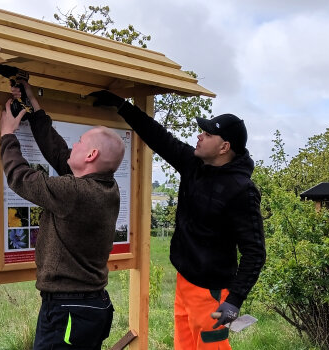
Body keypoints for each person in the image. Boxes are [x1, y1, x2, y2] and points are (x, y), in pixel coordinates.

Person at [89, 90, 266, 350]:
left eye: (207, 133)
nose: (199, 136)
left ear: (224, 147)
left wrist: (234, 300)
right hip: (185, 281)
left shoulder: (242, 190)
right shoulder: (193, 165)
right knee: (183, 345)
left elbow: (255, 252)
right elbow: (158, 137)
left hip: (212, 293)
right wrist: (121, 105)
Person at [0, 82, 126, 349]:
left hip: (69, 310)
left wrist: (8, 134)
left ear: (91, 155)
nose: (74, 146)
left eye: (80, 142)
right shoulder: (107, 187)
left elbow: (21, 178)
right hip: (90, 306)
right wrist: (33, 106)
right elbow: (60, 154)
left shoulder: (76, 193)